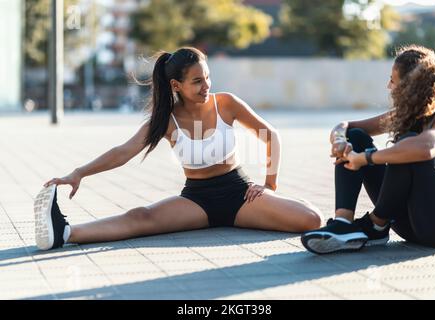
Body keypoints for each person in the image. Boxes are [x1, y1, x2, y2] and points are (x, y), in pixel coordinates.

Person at [34, 47, 322, 251]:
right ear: (177, 85)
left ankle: (296, 204)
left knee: (312, 219)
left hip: (239, 195)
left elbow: (270, 135)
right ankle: (64, 233)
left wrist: (269, 184)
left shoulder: (227, 103)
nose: (206, 85)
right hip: (196, 201)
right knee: (140, 218)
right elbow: (123, 151)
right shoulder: (166, 119)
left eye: (207, 77)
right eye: (197, 81)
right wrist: (78, 173)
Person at [301, 45, 435, 254]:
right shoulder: (407, 114)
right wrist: (340, 141)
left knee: (409, 146)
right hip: (407, 225)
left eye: (393, 80)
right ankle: (344, 224)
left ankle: (375, 224)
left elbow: (427, 147)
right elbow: (348, 126)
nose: (389, 86)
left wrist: (366, 158)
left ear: (409, 88)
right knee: (356, 137)